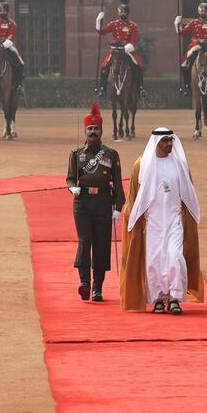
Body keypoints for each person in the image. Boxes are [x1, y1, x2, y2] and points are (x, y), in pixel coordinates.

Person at [120, 127, 203, 314]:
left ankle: (174, 297)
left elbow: (188, 194)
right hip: (152, 222)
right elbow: (134, 196)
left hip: (174, 219)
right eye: (165, 141)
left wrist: (189, 218)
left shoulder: (180, 164)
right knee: (154, 260)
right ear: (156, 143)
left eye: (171, 141)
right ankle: (158, 298)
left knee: (174, 256)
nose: (169, 145)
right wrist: (129, 216)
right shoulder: (141, 165)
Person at [65, 103, 126, 302]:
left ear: (101, 131)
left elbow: (117, 182)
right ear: (85, 131)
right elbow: (70, 178)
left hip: (102, 202)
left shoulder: (111, 154)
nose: (93, 132)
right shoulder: (76, 154)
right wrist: (72, 187)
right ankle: (84, 282)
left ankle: (97, 287)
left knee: (101, 244)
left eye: (96, 129)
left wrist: (118, 208)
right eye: (90, 129)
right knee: (85, 240)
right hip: (82, 203)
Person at [95, 0, 144, 97]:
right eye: (121, 12)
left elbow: (134, 40)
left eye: (125, 12)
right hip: (115, 50)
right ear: (118, 12)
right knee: (105, 66)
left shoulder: (132, 26)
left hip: (127, 50)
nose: (123, 14)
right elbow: (101, 32)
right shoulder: (114, 24)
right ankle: (102, 88)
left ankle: (140, 88)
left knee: (137, 66)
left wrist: (127, 47)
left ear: (128, 13)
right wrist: (98, 20)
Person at [174, 0, 207, 93]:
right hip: (196, 46)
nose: (203, 12)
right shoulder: (193, 23)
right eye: (201, 10)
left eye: (204, 11)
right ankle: (187, 86)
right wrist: (177, 24)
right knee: (184, 64)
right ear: (198, 11)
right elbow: (181, 33)